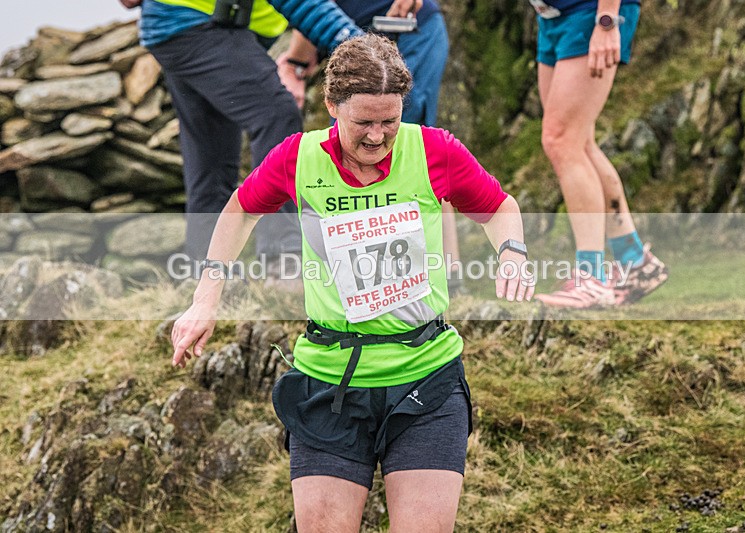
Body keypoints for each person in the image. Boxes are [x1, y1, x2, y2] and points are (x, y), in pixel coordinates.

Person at [170, 34, 535, 531]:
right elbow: (238, 211)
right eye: (363, 122)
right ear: (331, 106)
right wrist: (204, 299)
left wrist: (512, 252)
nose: (377, 136)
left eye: (390, 121)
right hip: (330, 382)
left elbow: (500, 209)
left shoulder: (435, 150)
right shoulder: (298, 159)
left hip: (425, 378)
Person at [119, 0, 358, 272]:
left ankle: (204, 275)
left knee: (211, 154)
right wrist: (359, 49)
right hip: (196, 23)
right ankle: (281, 259)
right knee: (275, 114)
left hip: (181, 27)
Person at [275, 0, 464, 291]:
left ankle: (445, 270)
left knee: (412, 149)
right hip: (352, 44)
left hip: (411, 31)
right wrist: (297, 62)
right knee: (353, 150)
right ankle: (363, 273)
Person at [529, 0, 668, 308]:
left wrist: (607, 20)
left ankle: (591, 278)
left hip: (590, 13)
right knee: (578, 142)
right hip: (553, 17)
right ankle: (634, 261)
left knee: (561, 139)